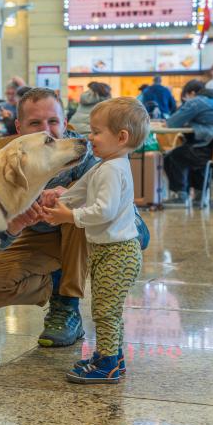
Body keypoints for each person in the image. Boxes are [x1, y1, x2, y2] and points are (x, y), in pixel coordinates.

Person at [0, 87, 99, 347]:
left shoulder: (85, 152)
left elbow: (122, 212)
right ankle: (56, 284)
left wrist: (71, 195)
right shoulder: (3, 161)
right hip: (36, 236)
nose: (46, 130)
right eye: (35, 123)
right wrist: (14, 226)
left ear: (65, 122)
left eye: (53, 121)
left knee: (77, 211)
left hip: (83, 239)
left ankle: (67, 306)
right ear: (18, 127)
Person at [41, 97, 148, 384]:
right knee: (107, 308)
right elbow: (83, 189)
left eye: (97, 131)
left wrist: (69, 216)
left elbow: (104, 211)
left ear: (121, 137)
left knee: (105, 310)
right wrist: (62, 196)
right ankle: (111, 355)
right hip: (106, 251)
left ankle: (108, 364)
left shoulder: (113, 169)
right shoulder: (106, 164)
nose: (90, 137)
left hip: (118, 252)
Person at [162, 79, 213, 206]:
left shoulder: (197, 101)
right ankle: (200, 196)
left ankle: (181, 196)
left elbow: (171, 123)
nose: (185, 102)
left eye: (185, 98)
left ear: (192, 93)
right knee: (191, 153)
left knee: (173, 156)